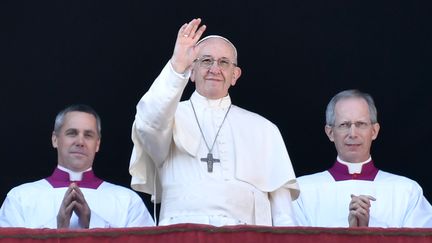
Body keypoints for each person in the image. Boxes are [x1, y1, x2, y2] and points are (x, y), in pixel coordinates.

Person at [128, 18, 299, 226]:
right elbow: (147, 123)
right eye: (206, 61)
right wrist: (176, 66)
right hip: (179, 234)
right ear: (192, 70)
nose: (214, 69)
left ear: (235, 75)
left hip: (244, 236)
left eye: (224, 62)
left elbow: (284, 216)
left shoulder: (264, 129)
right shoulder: (169, 116)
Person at [293, 89, 432, 227]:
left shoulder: (406, 191)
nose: (353, 134)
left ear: (374, 131)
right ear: (330, 132)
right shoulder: (301, 191)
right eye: (344, 125)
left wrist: (367, 235)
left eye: (361, 124)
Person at [0, 104, 155, 228]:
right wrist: (57, 228)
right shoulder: (20, 198)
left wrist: (92, 223)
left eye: (88, 135)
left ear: (97, 144)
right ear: (55, 139)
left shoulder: (127, 201)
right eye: (72, 133)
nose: (80, 142)